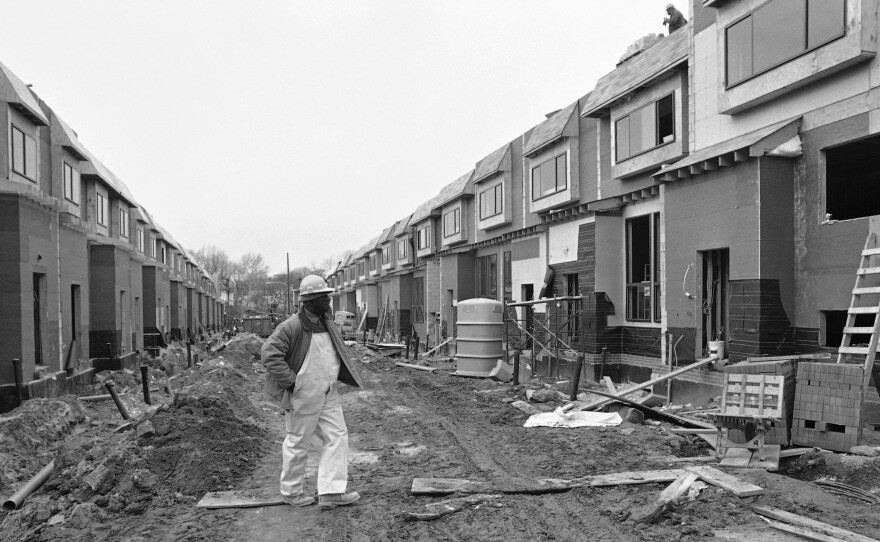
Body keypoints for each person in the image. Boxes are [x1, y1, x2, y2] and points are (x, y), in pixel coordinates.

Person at [261, 274, 364, 508]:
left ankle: (331, 492)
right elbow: (269, 354)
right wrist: (291, 382)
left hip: (328, 392)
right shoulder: (292, 327)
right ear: (308, 302)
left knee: (337, 436)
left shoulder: (327, 322)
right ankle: (291, 492)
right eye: (324, 299)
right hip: (303, 393)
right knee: (299, 441)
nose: (329, 302)